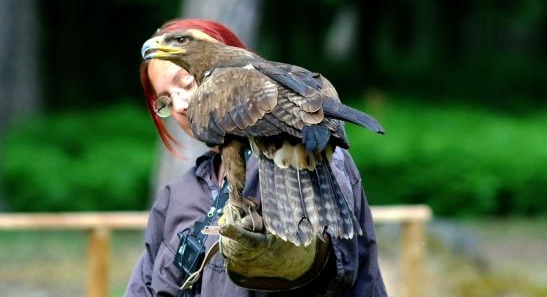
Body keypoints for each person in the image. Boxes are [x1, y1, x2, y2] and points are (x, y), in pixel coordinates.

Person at [124, 19, 388, 297]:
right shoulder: (175, 199)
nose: (180, 105)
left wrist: (302, 254)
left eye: (187, 82)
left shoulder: (319, 161)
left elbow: (342, 265)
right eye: (164, 101)